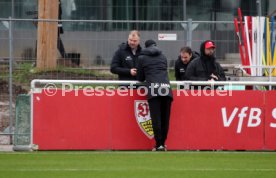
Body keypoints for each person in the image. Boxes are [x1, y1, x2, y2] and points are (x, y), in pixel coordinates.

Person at [137, 40, 173, 151]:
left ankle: (159, 144)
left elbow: (140, 78)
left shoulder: (142, 58)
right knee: (165, 119)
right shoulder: (163, 56)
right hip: (166, 88)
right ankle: (163, 143)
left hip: (153, 88)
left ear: (146, 47)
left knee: (156, 118)